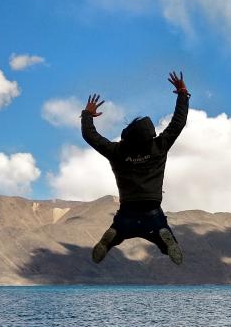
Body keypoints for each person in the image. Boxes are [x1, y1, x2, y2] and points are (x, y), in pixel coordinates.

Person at [81, 70, 190, 265]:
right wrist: (182, 93)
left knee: (120, 230)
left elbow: (91, 137)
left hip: (128, 209)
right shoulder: (159, 146)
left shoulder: (117, 151)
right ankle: (166, 239)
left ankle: (112, 237)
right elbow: (178, 122)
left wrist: (87, 115)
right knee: (163, 238)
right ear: (150, 133)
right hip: (152, 208)